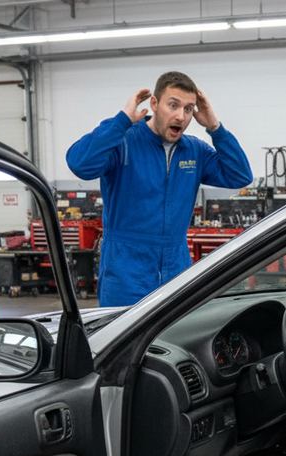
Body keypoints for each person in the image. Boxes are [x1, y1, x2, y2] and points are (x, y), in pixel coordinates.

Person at [67, 71, 252, 307]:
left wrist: (215, 128)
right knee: (124, 330)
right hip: (125, 273)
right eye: (173, 105)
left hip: (175, 270)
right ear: (154, 104)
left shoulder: (194, 151)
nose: (181, 116)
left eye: (188, 109)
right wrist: (121, 121)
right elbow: (79, 164)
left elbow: (240, 175)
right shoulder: (124, 142)